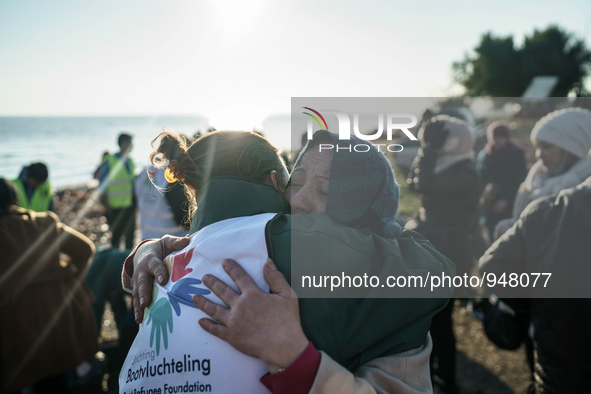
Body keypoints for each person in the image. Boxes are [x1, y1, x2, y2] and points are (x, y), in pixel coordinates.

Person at [121, 130, 454, 393]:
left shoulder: (390, 299)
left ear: (367, 203)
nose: (298, 200)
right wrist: (151, 250)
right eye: (296, 181)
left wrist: (293, 358)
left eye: (325, 191)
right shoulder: (278, 252)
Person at [478, 176, 591, 393]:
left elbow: (492, 267)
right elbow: (493, 268)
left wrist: (536, 307)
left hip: (557, 378)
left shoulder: (545, 212)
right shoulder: (543, 212)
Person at [0, 178, 98, 393]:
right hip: (57, 322)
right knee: (56, 381)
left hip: (14, 332)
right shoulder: (43, 222)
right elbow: (85, 249)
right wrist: (69, 281)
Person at [406, 116, 482, 393]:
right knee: (431, 320)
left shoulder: (465, 172)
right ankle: (437, 377)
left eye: (439, 140)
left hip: (450, 251)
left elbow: (424, 183)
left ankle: (446, 381)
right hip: (437, 247)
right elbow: (416, 182)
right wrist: (429, 149)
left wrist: (428, 150)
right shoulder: (447, 166)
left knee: (440, 321)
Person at [511, 107, 591, 221]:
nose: (539, 155)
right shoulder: (533, 182)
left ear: (570, 151)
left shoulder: (585, 190)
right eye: (537, 147)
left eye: (546, 146)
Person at [476, 121, 529, 239]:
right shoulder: (484, 156)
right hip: (491, 205)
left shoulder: (517, 154)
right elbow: (480, 176)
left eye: (501, 137)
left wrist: (506, 200)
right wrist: (486, 190)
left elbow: (522, 181)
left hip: (511, 204)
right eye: (495, 137)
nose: (498, 140)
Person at [98, 132, 137, 249]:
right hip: (115, 207)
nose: (132, 145)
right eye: (130, 143)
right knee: (116, 238)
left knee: (130, 238)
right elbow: (102, 186)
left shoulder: (130, 161)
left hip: (130, 205)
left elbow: (131, 182)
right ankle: (116, 264)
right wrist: (106, 205)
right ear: (123, 144)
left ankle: (129, 264)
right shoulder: (109, 162)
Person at [135, 164, 190, 240]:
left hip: (147, 238)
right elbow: (184, 215)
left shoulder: (143, 172)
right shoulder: (173, 174)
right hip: (173, 240)